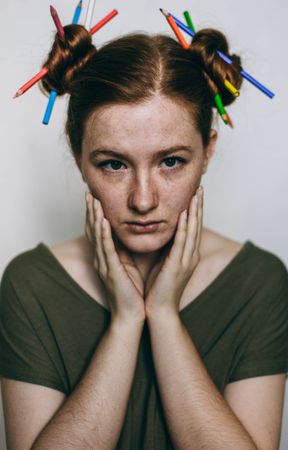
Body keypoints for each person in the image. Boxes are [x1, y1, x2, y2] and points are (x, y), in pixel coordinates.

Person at [0, 23, 288, 450]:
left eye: (170, 161)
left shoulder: (258, 281)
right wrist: (125, 321)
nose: (143, 199)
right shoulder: (31, 285)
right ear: (79, 157)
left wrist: (166, 318)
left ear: (207, 151)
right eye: (114, 164)